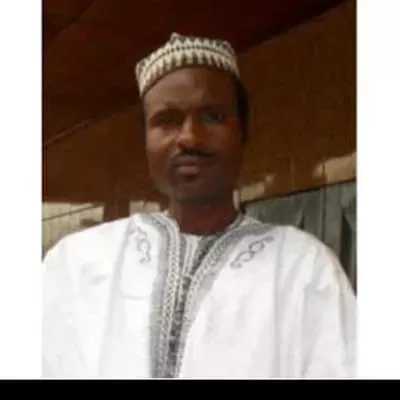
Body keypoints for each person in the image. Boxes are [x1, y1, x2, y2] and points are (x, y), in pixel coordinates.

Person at [42, 32, 356, 379]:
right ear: (145, 140)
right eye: (167, 120)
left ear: (244, 132)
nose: (190, 137)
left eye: (213, 116)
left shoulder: (304, 268)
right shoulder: (77, 263)